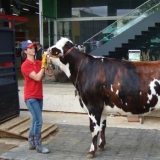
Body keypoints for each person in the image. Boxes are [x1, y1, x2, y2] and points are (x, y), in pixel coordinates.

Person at [21, 40, 49, 154]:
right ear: (25, 51)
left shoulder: (38, 62)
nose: (33, 49)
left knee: (35, 120)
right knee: (38, 121)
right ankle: (39, 146)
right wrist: (43, 65)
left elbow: (50, 74)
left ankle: (31, 142)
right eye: (30, 47)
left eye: (33, 47)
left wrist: (47, 63)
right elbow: (37, 77)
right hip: (30, 96)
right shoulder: (25, 65)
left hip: (38, 95)